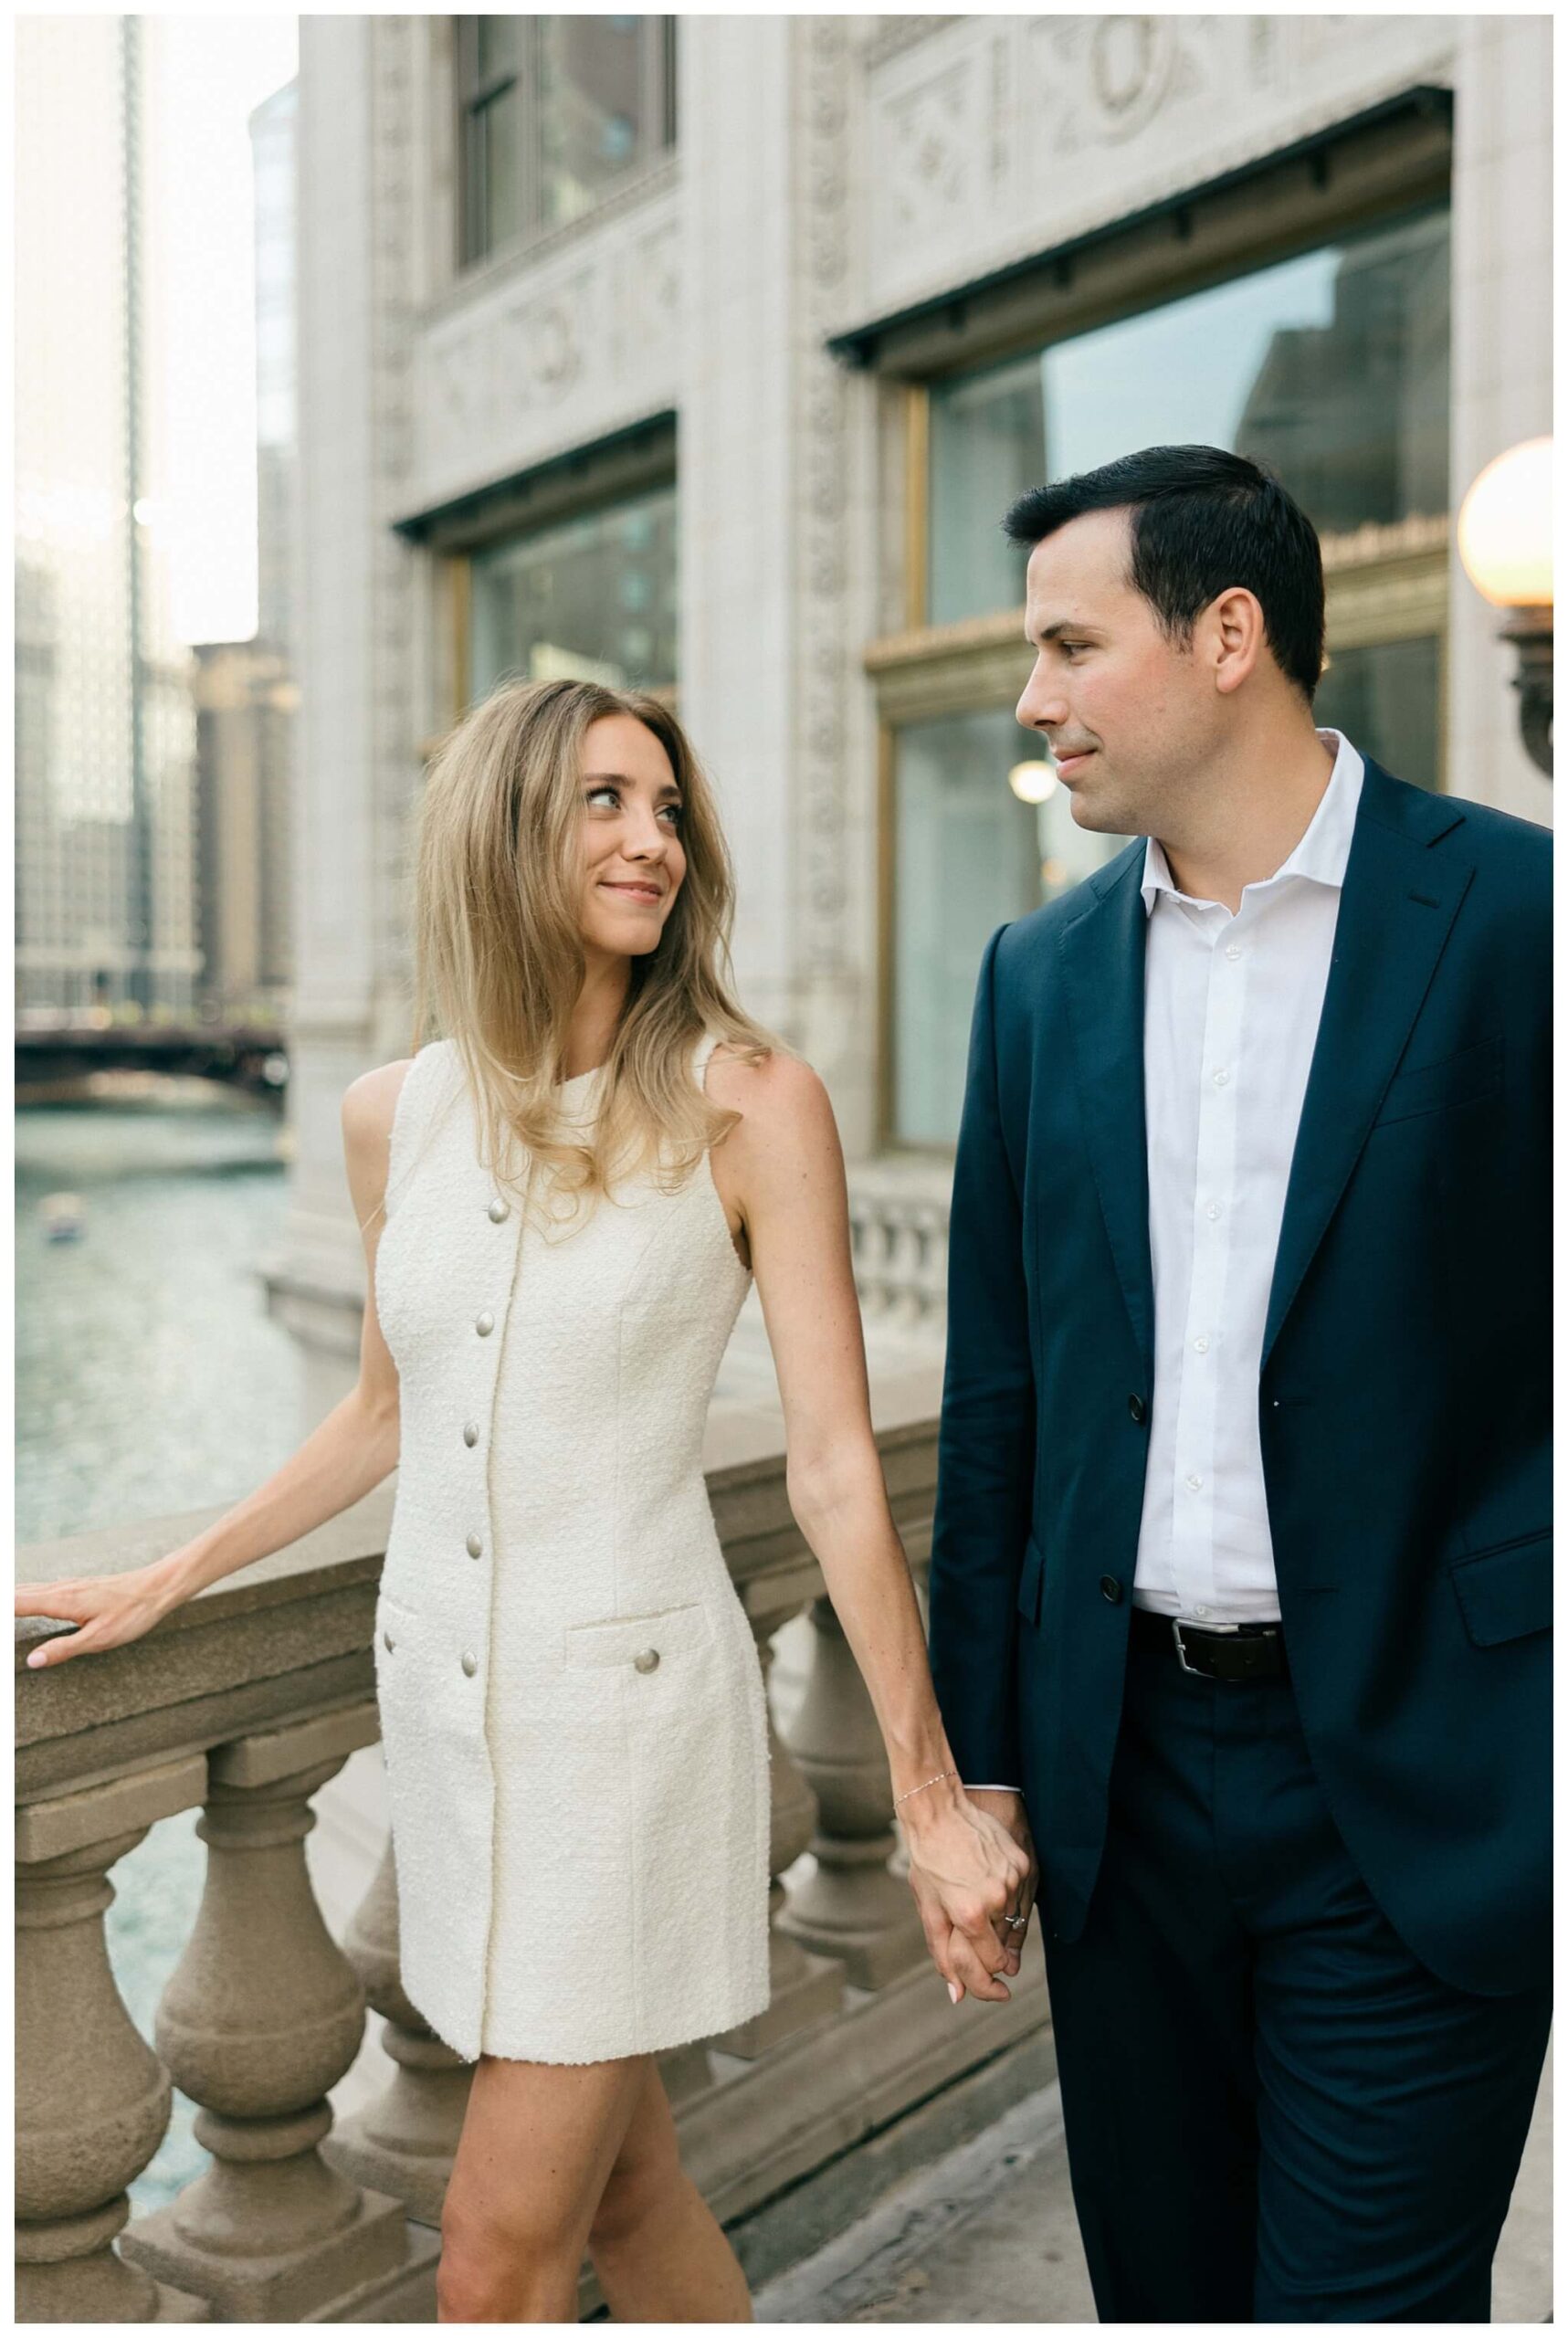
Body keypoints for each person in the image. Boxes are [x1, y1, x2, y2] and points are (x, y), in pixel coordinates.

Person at [17, 676, 1028, 2323]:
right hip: (451, 1730)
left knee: (490, 2255)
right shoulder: (390, 1117)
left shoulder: (748, 1098)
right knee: (626, 2194)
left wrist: (923, 1794)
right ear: (500, 834)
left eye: (670, 808)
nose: (654, 842)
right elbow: (381, 1413)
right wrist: (171, 1573)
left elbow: (837, 1467)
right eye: (604, 804)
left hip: (627, 1735)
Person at [927, 445, 1552, 2322]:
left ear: (1226, 634)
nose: (1030, 699)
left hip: (1429, 1782)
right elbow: (999, 1400)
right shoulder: (1033, 975)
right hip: (1121, 1795)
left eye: (1064, 642)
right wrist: (981, 1765)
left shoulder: (1520, 917)